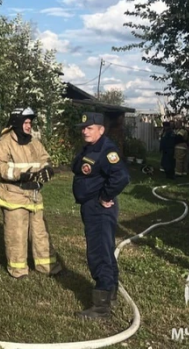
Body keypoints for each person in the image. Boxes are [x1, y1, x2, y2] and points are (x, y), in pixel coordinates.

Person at [0, 107, 63, 279]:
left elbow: (44, 158)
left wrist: (48, 169)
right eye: (27, 122)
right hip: (14, 195)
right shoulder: (4, 142)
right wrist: (19, 175)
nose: (29, 126)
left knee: (40, 232)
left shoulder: (33, 142)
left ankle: (47, 266)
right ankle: (18, 269)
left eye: (30, 122)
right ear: (17, 122)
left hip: (35, 195)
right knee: (17, 234)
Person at [71, 112, 130, 319]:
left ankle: (101, 306)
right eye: (83, 127)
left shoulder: (107, 150)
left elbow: (121, 176)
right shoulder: (91, 148)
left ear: (101, 130)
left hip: (99, 209)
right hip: (90, 206)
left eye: (90, 127)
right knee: (105, 250)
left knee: (99, 253)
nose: (85, 130)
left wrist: (105, 196)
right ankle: (110, 293)